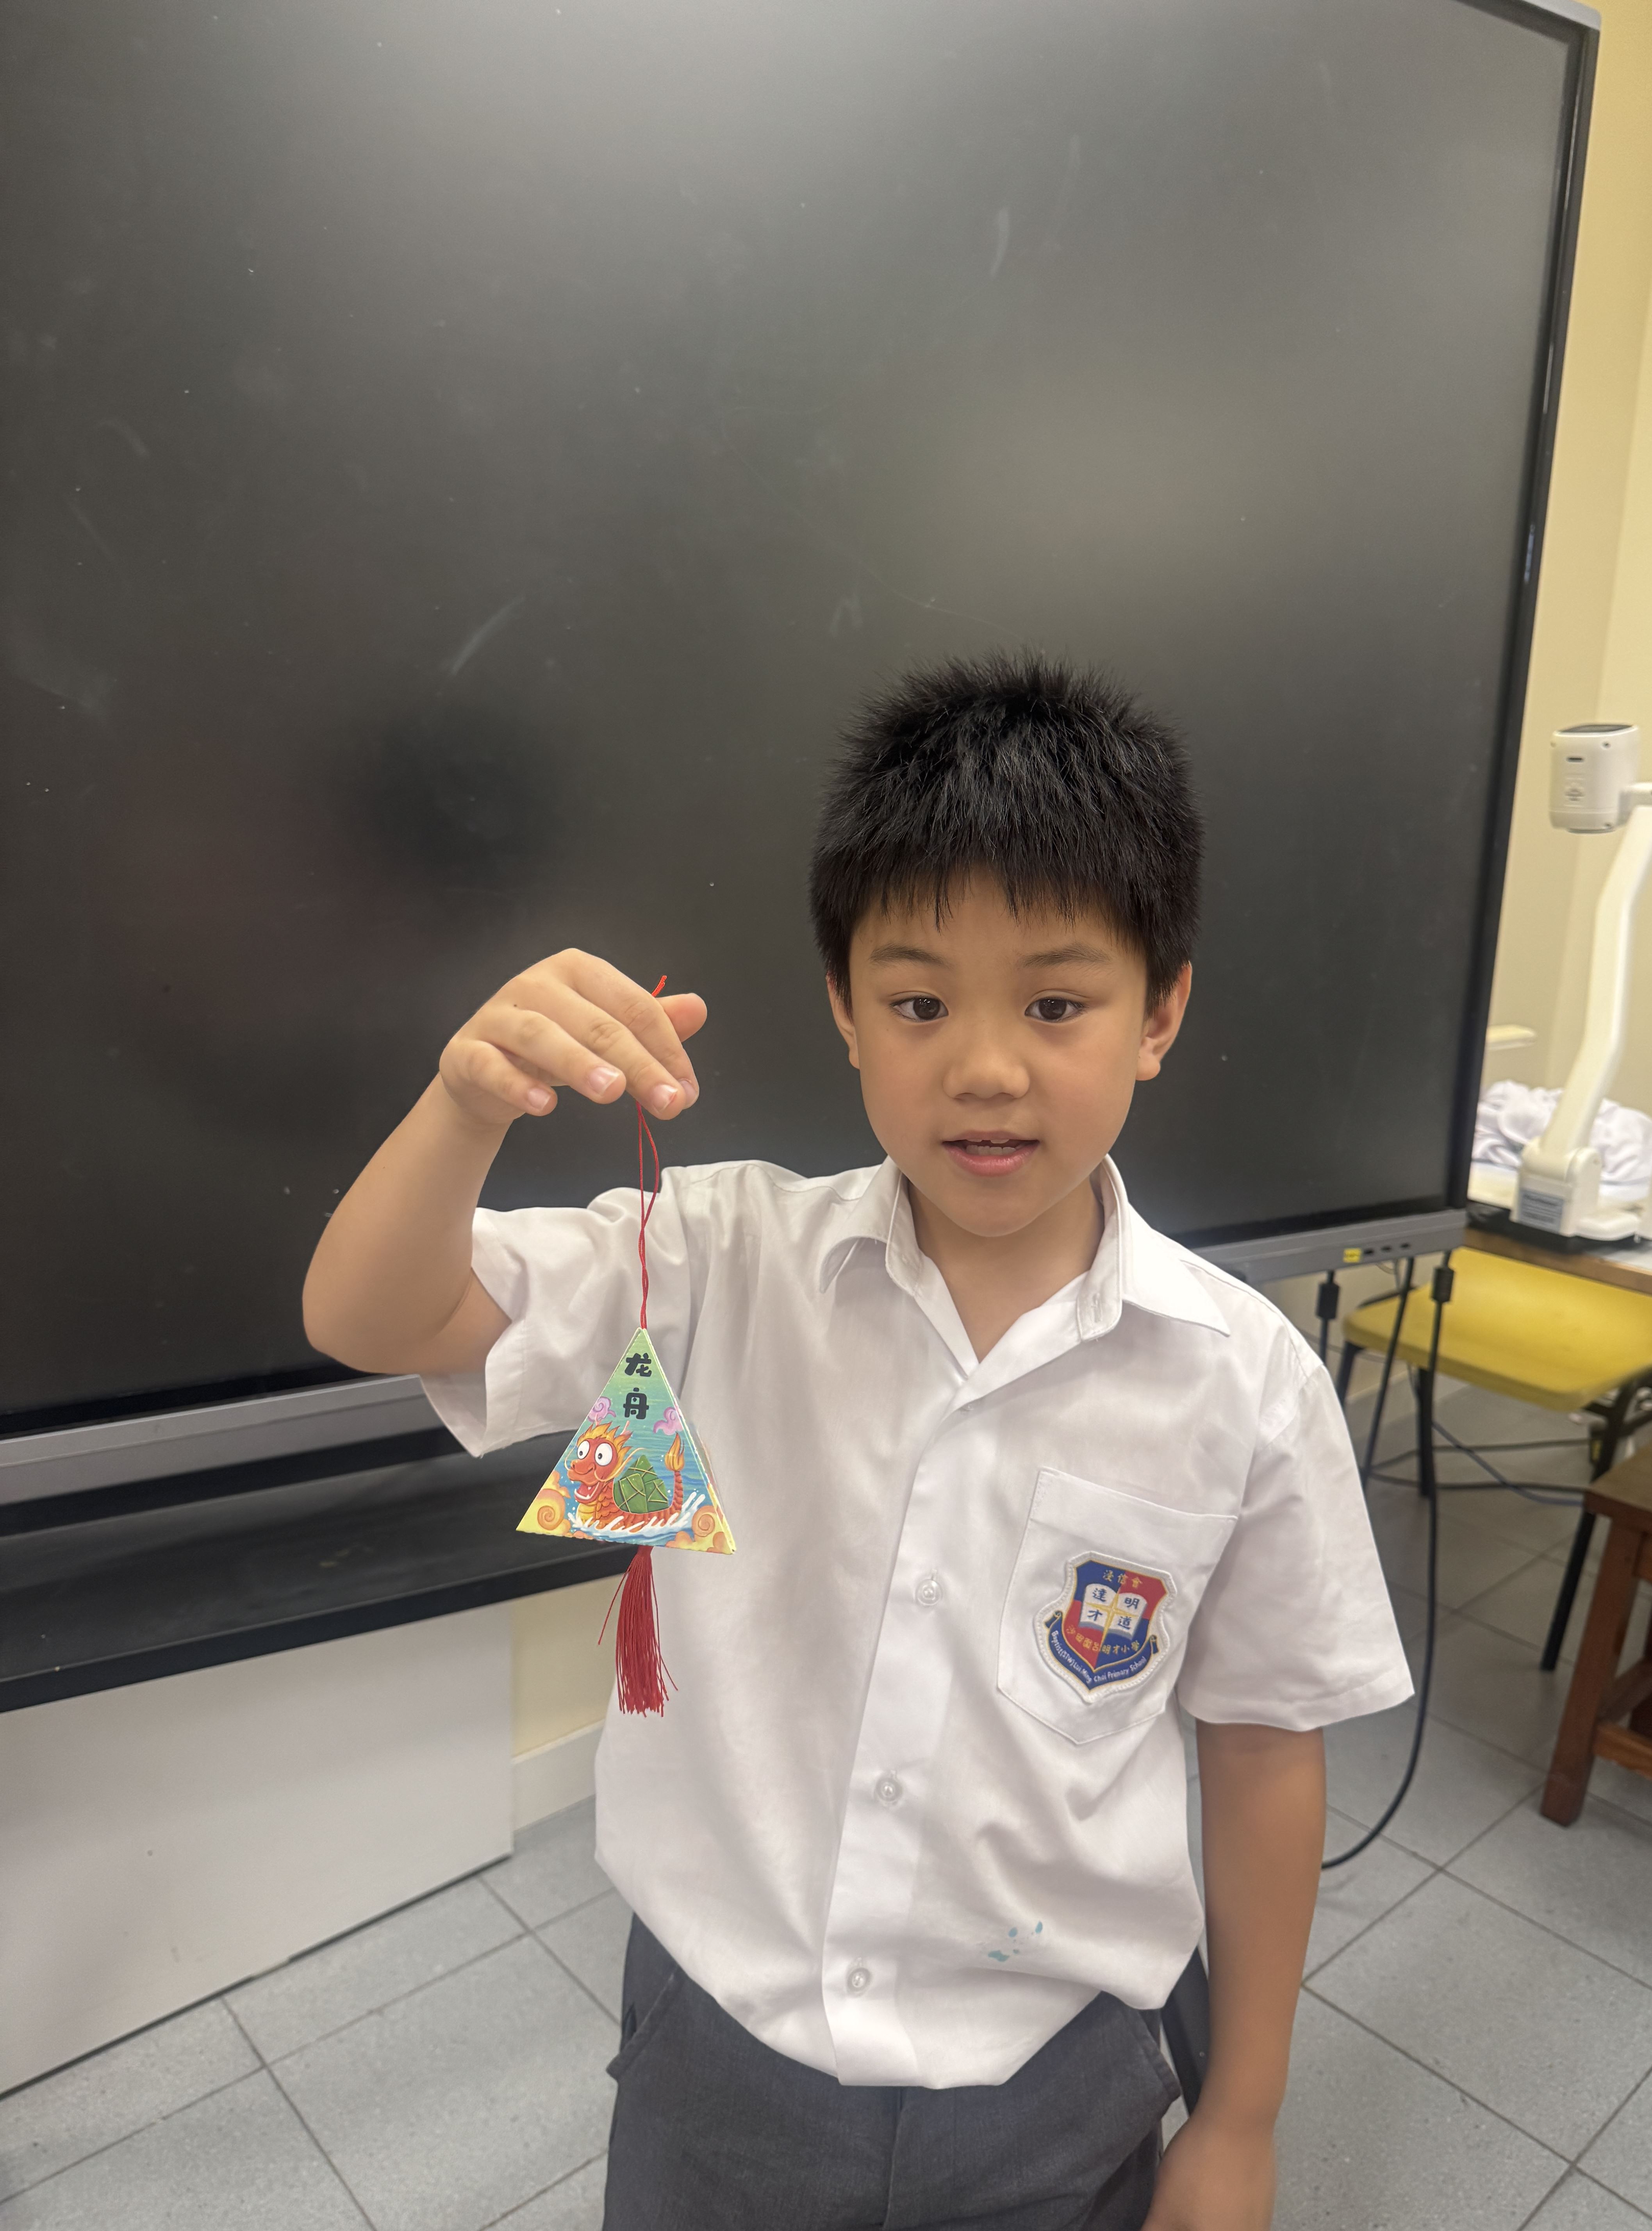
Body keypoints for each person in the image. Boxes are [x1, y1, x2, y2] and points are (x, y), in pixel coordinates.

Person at [303, 653, 1411, 2231]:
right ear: (842, 1011)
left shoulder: (1245, 1384)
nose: (984, 1066)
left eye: (1056, 1002)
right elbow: (374, 1317)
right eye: (917, 1002)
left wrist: (1240, 2118)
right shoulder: (712, 1257)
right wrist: (465, 1104)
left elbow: (1261, 1751)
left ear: (1159, 1012)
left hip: (1059, 2077)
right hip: (722, 2054)